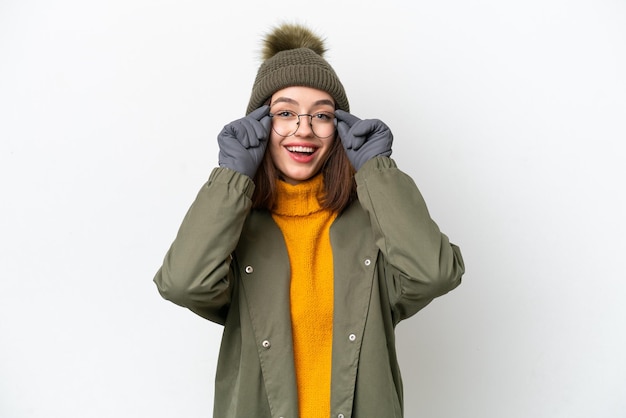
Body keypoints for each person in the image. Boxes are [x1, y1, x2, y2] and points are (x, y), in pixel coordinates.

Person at [154, 23, 465, 418]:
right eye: (285, 113)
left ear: (340, 129)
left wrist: (376, 170)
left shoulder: (372, 224)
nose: (304, 128)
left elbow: (435, 273)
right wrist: (231, 177)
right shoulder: (236, 230)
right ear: (259, 127)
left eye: (322, 115)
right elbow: (182, 283)